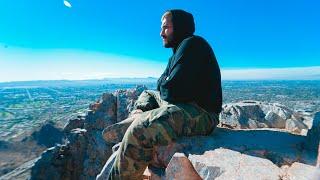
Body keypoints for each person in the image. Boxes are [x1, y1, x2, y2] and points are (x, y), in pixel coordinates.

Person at [97, 9, 222, 180]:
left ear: (179, 27)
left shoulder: (193, 44)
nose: (161, 33)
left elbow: (171, 90)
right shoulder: (176, 54)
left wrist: (166, 83)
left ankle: (137, 124)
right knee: (148, 93)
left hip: (201, 113)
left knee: (141, 128)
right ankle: (137, 113)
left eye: (166, 28)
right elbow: (162, 85)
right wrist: (166, 83)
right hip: (182, 105)